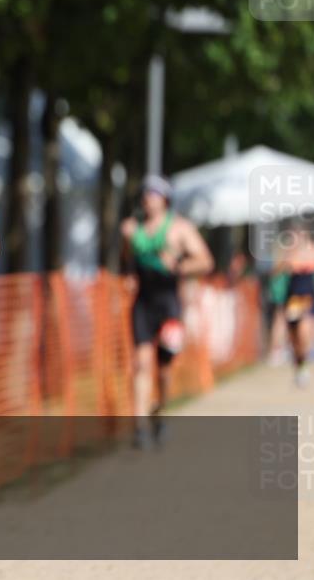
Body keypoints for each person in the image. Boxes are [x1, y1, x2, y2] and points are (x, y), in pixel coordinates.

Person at [120, 174, 213, 447]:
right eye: (145, 194)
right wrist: (129, 275)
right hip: (143, 303)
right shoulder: (129, 228)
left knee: (164, 369)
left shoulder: (179, 229)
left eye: (154, 194)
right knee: (141, 363)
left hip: (169, 304)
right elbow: (127, 259)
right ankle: (139, 427)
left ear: (165, 199)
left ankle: (159, 413)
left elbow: (206, 261)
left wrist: (178, 266)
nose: (148, 199)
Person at [272, 223, 314, 388]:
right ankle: (300, 366)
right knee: (295, 337)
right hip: (294, 300)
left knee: (304, 332)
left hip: (309, 298)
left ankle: (304, 363)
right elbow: (275, 272)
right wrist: (286, 262)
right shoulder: (288, 254)